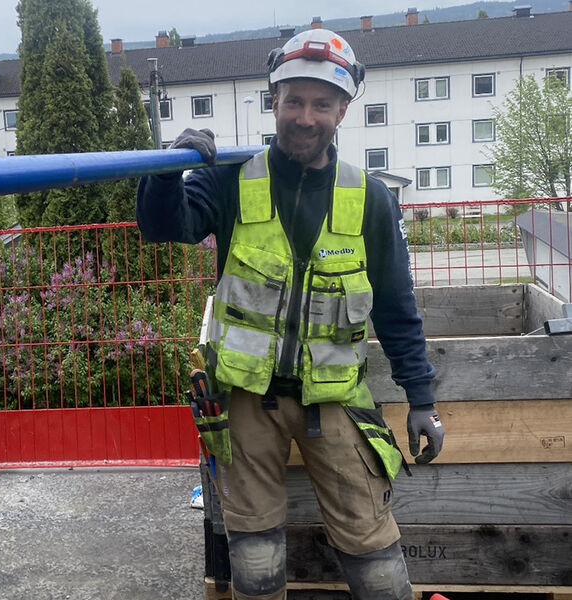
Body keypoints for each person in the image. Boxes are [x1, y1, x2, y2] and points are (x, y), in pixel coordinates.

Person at [136, 29, 445, 599]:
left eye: (321, 104)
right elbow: (164, 227)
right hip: (246, 402)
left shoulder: (369, 197)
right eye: (294, 100)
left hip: (334, 401)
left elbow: (398, 308)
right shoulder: (230, 179)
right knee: (253, 551)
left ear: (342, 110)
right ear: (272, 100)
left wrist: (421, 399)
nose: (306, 117)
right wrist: (165, 171)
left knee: (371, 542)